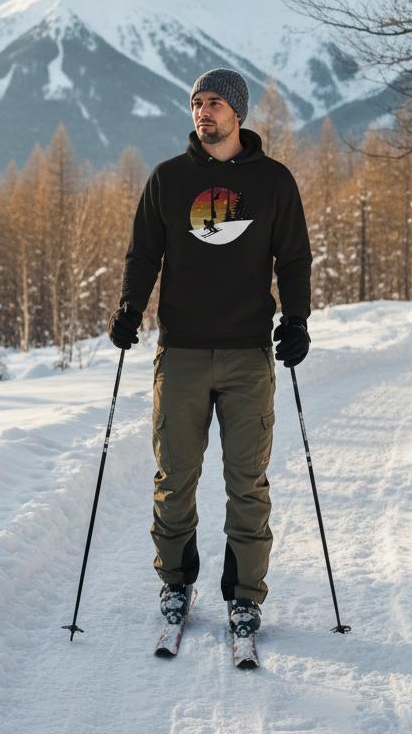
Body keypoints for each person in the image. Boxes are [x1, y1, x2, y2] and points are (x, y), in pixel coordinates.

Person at [108, 67, 312, 638]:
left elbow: (293, 258)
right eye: (197, 102)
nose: (203, 111)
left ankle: (244, 595)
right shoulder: (169, 179)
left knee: (247, 483)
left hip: (249, 353)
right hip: (182, 354)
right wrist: (130, 308)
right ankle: (176, 583)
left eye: (215, 102)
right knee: (175, 480)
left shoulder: (274, 182)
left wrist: (297, 319)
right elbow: (142, 254)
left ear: (238, 113)